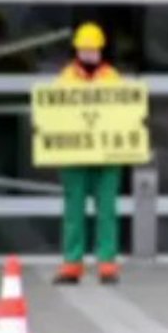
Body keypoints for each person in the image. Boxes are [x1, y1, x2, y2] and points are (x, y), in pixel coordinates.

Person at [52, 22, 123, 285]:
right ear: (77, 50)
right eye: (85, 49)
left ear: (100, 50)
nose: (89, 54)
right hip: (75, 156)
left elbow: (125, 113)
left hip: (106, 156)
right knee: (74, 211)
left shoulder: (112, 77)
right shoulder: (66, 77)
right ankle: (72, 265)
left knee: (107, 211)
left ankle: (107, 265)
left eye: (93, 49)